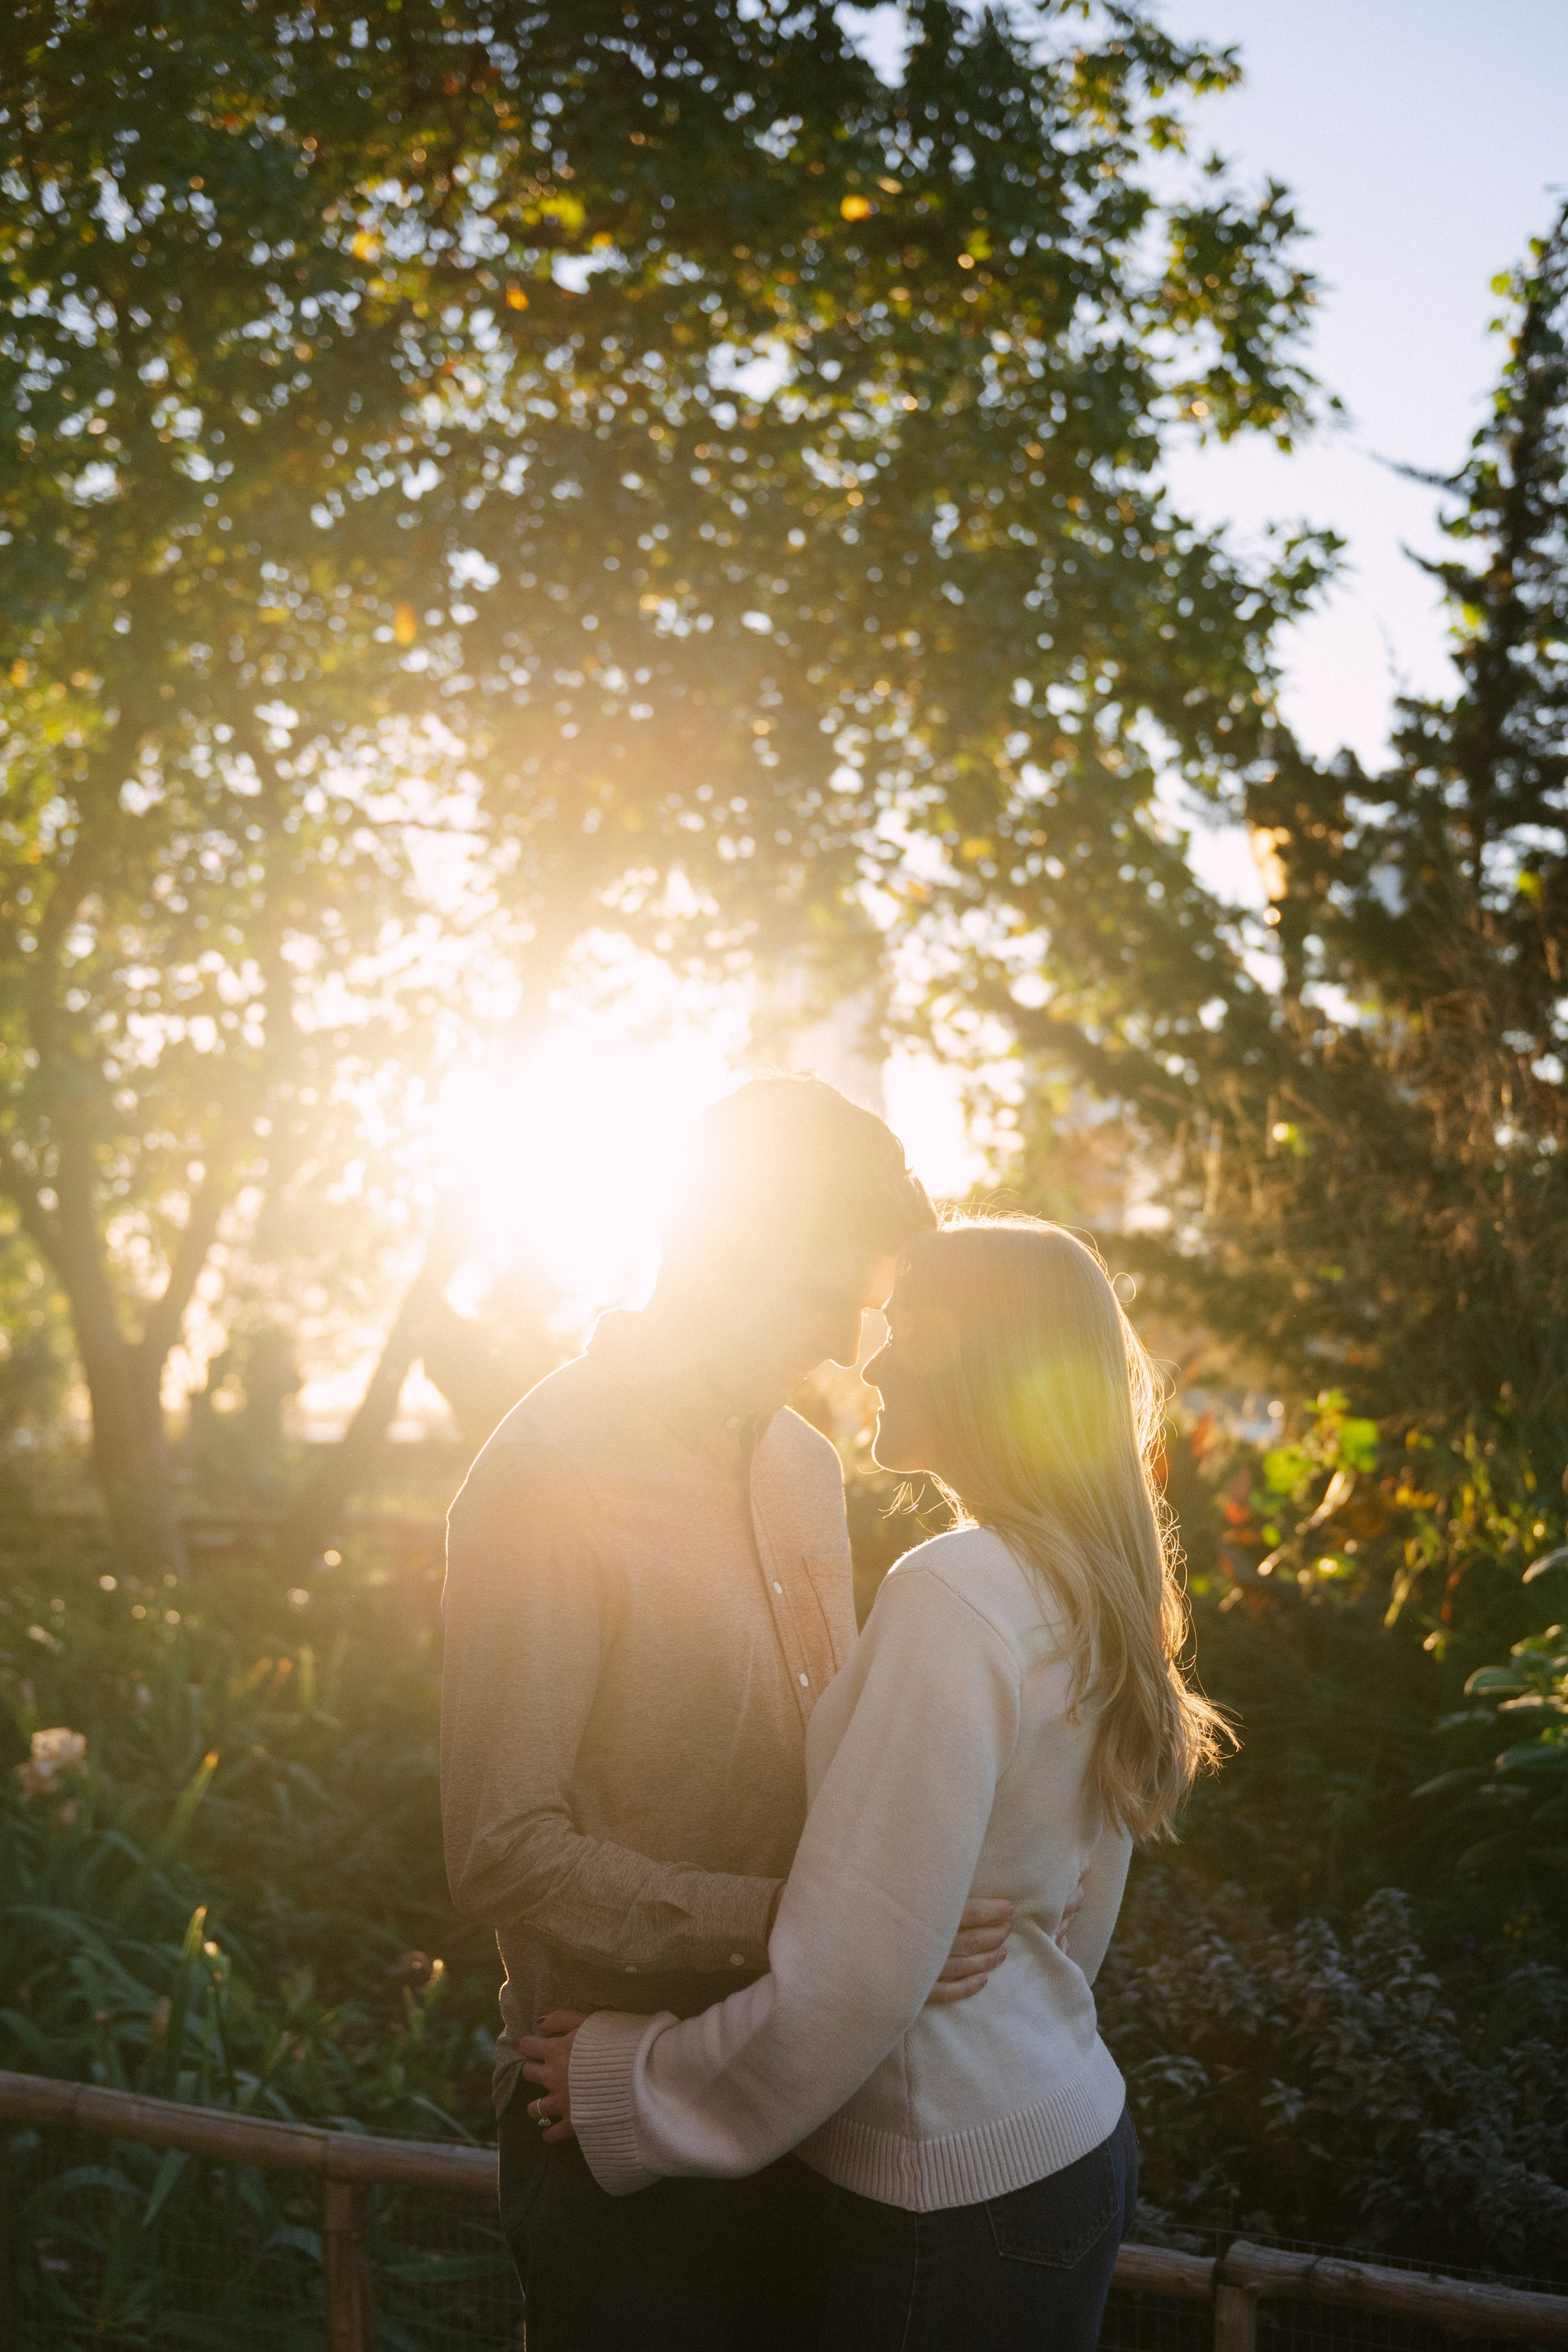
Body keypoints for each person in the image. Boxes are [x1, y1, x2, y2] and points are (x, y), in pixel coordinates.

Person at [520, 1216, 1227, 2350]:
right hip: (1066, 2127)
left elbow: (850, 1971)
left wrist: (633, 2081)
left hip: (945, 2192)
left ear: (974, 1358)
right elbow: (1082, 1902)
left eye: (902, 1328)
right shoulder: (1077, 1579)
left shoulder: (954, 1593)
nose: (872, 1357)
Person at [440, 1077, 1016, 2350]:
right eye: (822, 1296)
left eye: (855, 1310)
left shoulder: (804, 1468)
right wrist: (806, 1923)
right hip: (607, 2114)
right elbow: (500, 1849)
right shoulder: (545, 1477)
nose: (839, 1345)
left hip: (813, 2088)